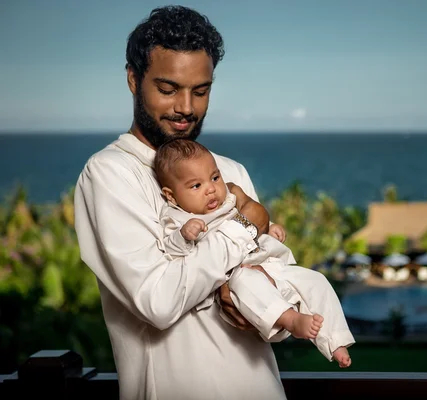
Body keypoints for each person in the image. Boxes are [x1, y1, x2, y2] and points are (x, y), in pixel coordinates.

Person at [74, 5, 293, 399]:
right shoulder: (108, 174)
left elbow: (280, 293)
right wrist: (246, 228)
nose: (186, 108)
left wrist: (260, 299)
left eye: (201, 90)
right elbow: (158, 302)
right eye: (168, 88)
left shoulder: (230, 173)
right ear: (132, 79)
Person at [153, 138, 354, 367]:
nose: (211, 189)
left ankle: (335, 341)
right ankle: (291, 319)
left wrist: (270, 227)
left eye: (215, 177)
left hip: (269, 264)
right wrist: (183, 235)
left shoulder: (229, 201)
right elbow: (171, 249)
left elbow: (254, 222)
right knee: (248, 283)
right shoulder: (178, 218)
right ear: (171, 195)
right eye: (196, 186)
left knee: (315, 280)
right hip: (237, 274)